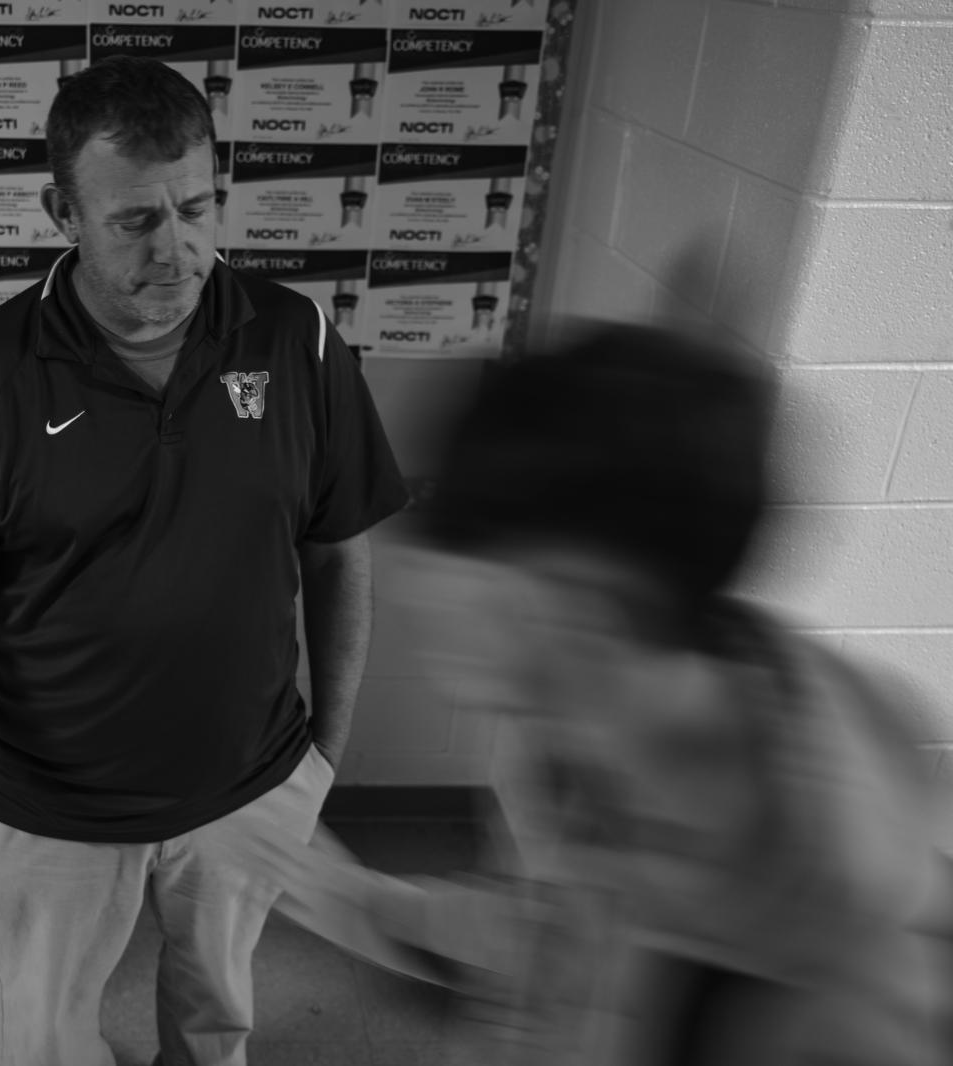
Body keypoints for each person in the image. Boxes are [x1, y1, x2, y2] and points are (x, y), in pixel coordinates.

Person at [0, 55, 410, 1066]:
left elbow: (338, 551)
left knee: (214, 1020)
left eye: (195, 207)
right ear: (63, 210)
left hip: (248, 787)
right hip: (47, 807)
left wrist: (321, 762)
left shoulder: (294, 336)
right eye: (134, 220)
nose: (177, 249)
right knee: (45, 1044)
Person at [219, 322, 953, 1064]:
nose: (450, 656)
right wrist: (360, 902)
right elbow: (574, 935)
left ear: (585, 608)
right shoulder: (600, 738)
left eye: (472, 601)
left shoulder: (840, 991)